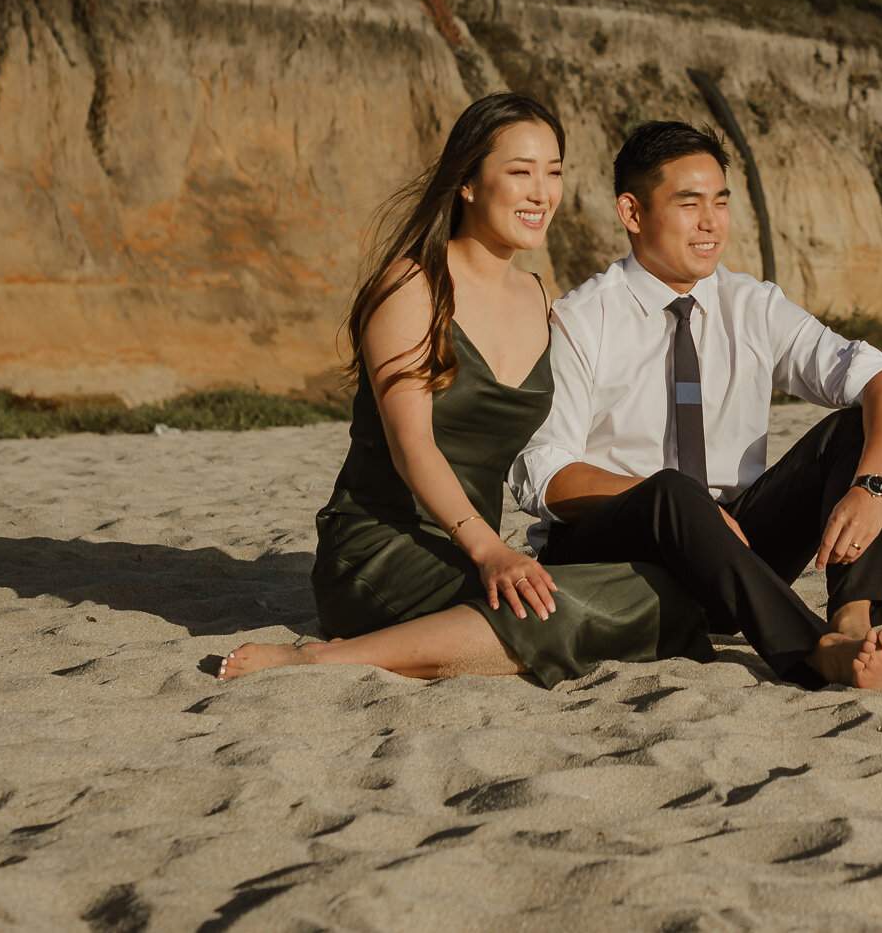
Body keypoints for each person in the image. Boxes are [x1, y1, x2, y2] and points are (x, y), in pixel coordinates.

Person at [219, 93, 707, 684]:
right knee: (554, 613)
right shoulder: (411, 286)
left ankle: (430, 638)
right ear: (469, 183)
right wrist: (491, 552)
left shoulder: (540, 297)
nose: (541, 193)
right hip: (382, 546)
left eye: (553, 173)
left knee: (667, 594)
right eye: (520, 172)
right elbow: (411, 447)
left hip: (469, 552)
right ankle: (318, 657)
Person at [510, 120, 882, 690]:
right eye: (689, 204)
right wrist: (688, 507)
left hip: (735, 552)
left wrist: (872, 487)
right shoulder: (582, 319)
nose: (712, 222)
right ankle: (814, 649)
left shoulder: (752, 305)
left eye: (720, 201)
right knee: (671, 489)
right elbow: (541, 473)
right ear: (633, 214)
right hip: (618, 555)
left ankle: (852, 625)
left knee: (855, 433)